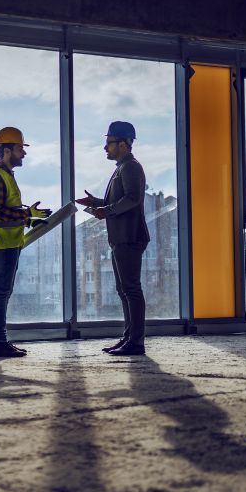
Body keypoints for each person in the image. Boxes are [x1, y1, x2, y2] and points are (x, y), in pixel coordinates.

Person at [75, 121, 149, 356]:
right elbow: (121, 199)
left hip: (129, 236)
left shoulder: (130, 167)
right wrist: (97, 202)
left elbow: (132, 199)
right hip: (121, 237)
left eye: (109, 143)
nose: (105, 148)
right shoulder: (122, 167)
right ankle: (129, 337)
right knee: (124, 289)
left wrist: (105, 211)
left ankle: (136, 342)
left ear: (124, 144)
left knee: (131, 289)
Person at [0, 127, 51, 358]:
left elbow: (6, 208)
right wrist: (26, 217)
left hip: (8, 243)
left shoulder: (7, 176)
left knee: (4, 291)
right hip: (0, 244)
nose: (24, 153)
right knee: (1, 292)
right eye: (20, 148)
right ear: (6, 150)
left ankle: (1, 341)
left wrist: (29, 215)